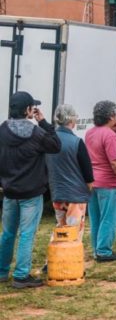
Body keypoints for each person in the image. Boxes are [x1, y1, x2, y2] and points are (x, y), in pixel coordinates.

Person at [0, 92, 61, 288]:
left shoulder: (2, 130)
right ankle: (21, 275)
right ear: (28, 110)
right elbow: (56, 146)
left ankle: (1, 271)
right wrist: (43, 122)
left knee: (8, 233)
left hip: (10, 190)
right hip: (31, 192)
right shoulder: (37, 133)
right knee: (27, 233)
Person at [86, 101, 116, 262]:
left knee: (96, 218)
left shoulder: (91, 133)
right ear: (111, 116)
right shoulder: (109, 136)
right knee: (110, 218)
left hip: (93, 182)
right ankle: (103, 251)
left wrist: (114, 131)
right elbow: (115, 163)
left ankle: (97, 249)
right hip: (109, 184)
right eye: (115, 113)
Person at [46, 104, 93, 234]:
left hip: (57, 194)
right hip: (76, 196)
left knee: (61, 231)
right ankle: (71, 254)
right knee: (74, 233)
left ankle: (59, 253)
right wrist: (89, 189)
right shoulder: (77, 142)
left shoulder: (49, 141)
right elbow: (88, 173)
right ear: (72, 120)